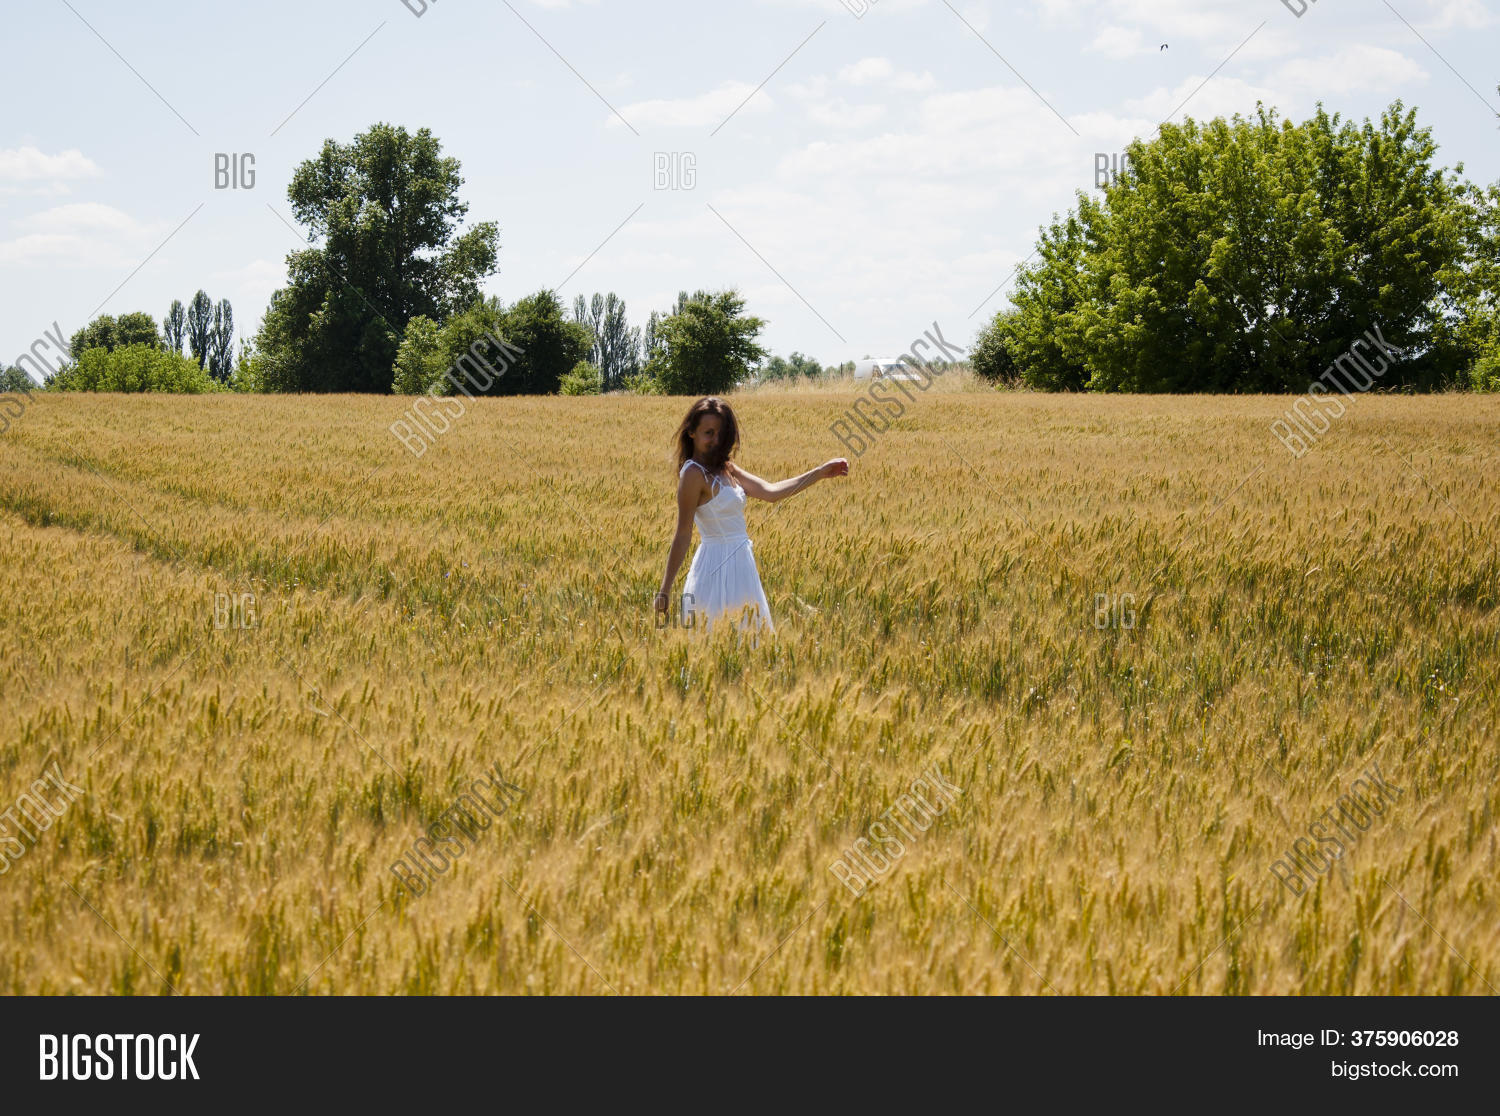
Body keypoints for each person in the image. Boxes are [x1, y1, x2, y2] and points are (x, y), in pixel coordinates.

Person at [654, 397, 849, 634]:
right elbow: (683, 533)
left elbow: (770, 492)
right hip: (714, 567)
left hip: (742, 564)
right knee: (714, 638)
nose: (715, 440)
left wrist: (819, 473)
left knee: (749, 641)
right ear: (691, 432)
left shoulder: (727, 467)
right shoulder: (693, 474)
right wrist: (665, 590)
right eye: (708, 433)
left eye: (721, 434)